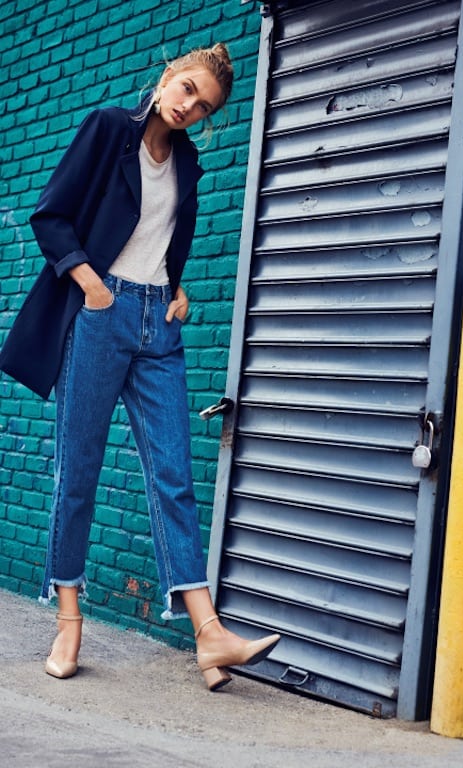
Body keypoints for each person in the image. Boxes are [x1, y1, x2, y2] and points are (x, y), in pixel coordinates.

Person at [0, 43, 280, 691]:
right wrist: (90, 285)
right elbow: (51, 215)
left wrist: (176, 288)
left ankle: (209, 633)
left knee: (173, 473)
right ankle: (68, 620)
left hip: (158, 323)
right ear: (166, 76)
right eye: (187, 89)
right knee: (78, 471)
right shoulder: (108, 129)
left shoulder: (189, 164)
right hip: (100, 313)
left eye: (203, 106)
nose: (189, 107)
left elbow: (165, 239)